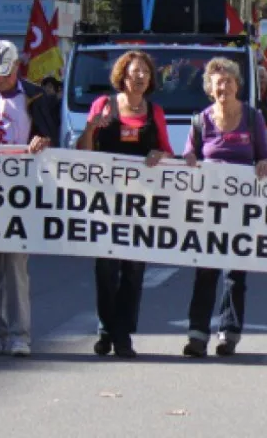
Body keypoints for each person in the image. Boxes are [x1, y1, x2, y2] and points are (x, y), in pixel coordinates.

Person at [76, 50, 174, 359]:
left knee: (133, 270)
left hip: (141, 205)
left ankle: (123, 335)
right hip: (105, 202)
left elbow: (167, 151)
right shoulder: (103, 105)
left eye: (145, 72)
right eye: (135, 72)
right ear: (123, 76)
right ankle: (106, 329)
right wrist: (92, 126)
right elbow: (84, 151)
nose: (141, 77)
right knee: (105, 269)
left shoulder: (155, 111)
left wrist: (161, 156)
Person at [181, 57, 267, 358]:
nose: (224, 86)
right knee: (205, 269)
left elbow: (263, 156)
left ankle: (229, 333)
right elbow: (189, 156)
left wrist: (263, 163)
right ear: (210, 88)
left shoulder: (252, 117)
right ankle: (197, 335)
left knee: (235, 273)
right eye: (218, 82)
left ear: (238, 85)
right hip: (208, 208)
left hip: (242, 208)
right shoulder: (200, 120)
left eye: (229, 81)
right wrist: (191, 161)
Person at [0, 40, 59, 358]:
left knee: (15, 266)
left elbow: (54, 138)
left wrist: (43, 140)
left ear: (16, 68)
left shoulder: (35, 97)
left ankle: (19, 334)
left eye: (3, 75)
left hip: (19, 192)